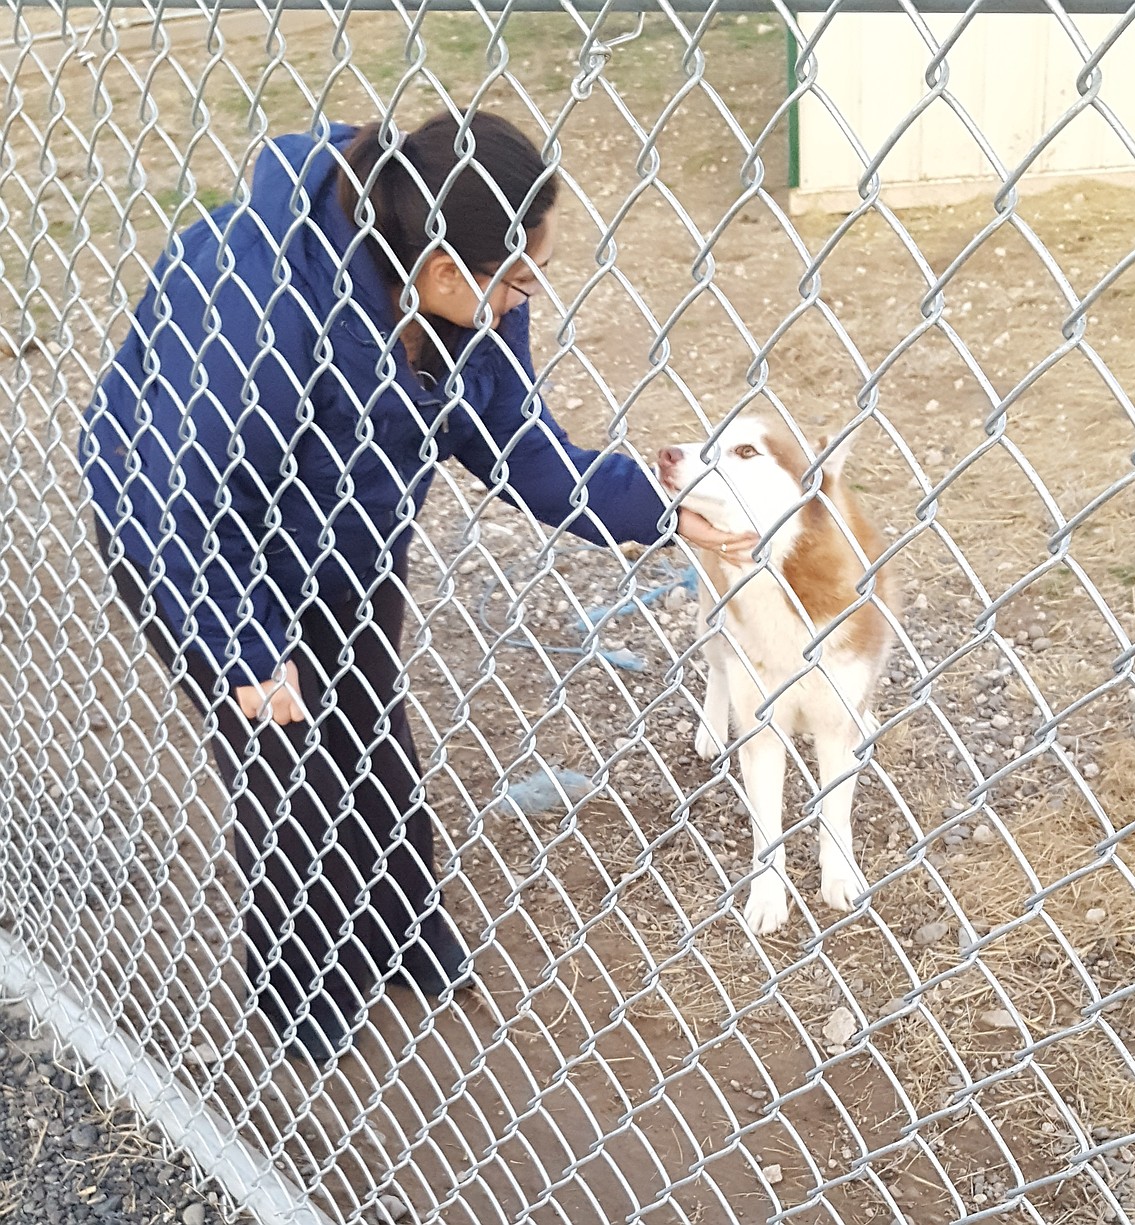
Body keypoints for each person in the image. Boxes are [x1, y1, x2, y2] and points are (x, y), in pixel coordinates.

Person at [80, 110, 755, 1064]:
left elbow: (522, 448)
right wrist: (243, 650)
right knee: (287, 765)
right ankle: (299, 985)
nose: (528, 296)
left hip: (344, 530)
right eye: (518, 276)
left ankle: (400, 925)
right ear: (444, 269)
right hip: (192, 539)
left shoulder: (476, 314)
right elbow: (178, 496)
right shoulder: (262, 293)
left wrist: (658, 506)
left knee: (368, 715)